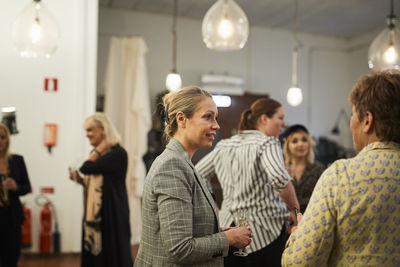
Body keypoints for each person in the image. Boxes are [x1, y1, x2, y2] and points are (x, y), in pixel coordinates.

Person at [281, 70, 400, 266]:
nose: (351, 123)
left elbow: (300, 262)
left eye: (353, 114)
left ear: (367, 120)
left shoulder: (340, 176)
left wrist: (301, 232)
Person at [135, 86, 252, 267]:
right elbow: (180, 248)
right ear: (182, 119)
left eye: (216, 118)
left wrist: (221, 232)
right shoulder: (172, 166)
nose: (216, 125)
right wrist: (227, 238)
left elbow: (186, 230)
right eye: (208, 117)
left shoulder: (183, 162)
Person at [196, 97, 300, 267]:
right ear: (264, 119)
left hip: (228, 230)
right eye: (280, 118)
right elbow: (280, 179)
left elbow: (197, 175)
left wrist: (215, 210)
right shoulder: (267, 143)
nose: (284, 124)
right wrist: (296, 213)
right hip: (265, 232)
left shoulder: (225, 145)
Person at [69, 113, 133, 267]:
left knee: (111, 254)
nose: (87, 135)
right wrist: (81, 181)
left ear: (103, 129)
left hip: (112, 213)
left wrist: (97, 150)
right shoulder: (101, 155)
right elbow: (99, 182)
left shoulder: (117, 153)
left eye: (90, 130)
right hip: (99, 213)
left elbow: (86, 167)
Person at [0, 122, 31, 267]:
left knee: (11, 259)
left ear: (8, 140)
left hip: (12, 218)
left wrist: (16, 187)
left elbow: (27, 187)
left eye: (2, 137)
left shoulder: (17, 160)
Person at [281, 124, 324, 213]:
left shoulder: (318, 170)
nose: (300, 144)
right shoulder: (281, 171)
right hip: (288, 220)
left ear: (309, 143)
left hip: (312, 218)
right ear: (287, 145)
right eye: (294, 141)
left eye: (304, 140)